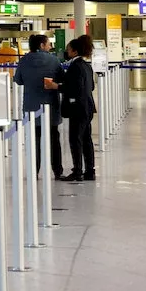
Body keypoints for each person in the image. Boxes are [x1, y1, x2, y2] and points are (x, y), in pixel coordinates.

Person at [14, 34, 63, 178]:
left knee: (34, 140)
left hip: (31, 107)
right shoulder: (54, 60)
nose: (49, 47)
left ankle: (33, 171)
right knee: (54, 140)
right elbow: (60, 79)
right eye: (48, 44)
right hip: (51, 107)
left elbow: (18, 80)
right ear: (42, 45)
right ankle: (57, 171)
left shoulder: (24, 61)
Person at [57, 35, 98, 182]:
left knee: (75, 139)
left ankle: (77, 171)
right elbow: (91, 86)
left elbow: (74, 87)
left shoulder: (75, 66)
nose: (67, 52)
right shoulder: (87, 65)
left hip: (78, 108)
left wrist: (57, 86)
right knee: (87, 139)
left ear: (74, 51)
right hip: (88, 106)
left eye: (68, 49)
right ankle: (90, 170)